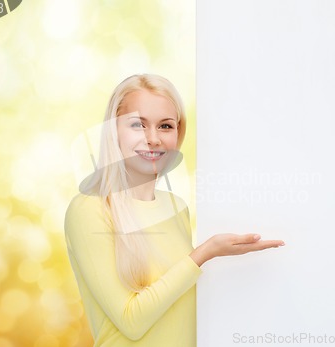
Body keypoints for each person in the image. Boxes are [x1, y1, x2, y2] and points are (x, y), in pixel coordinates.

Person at [64, 74, 285, 346]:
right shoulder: (89, 208)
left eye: (165, 126)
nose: (153, 138)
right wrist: (204, 253)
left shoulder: (176, 208)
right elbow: (131, 321)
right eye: (137, 124)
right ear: (113, 131)